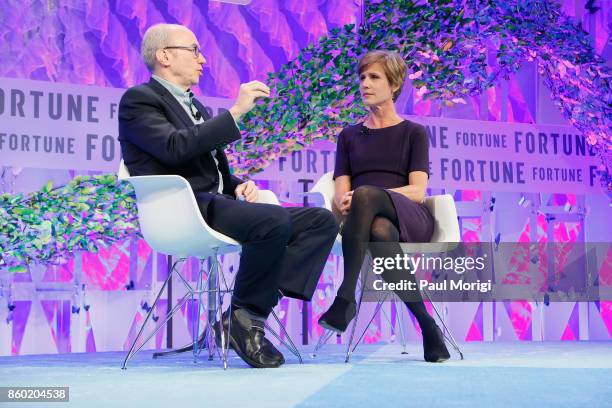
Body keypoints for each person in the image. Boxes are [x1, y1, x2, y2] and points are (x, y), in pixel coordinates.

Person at [118, 24, 338, 368]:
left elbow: (209, 166)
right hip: (185, 209)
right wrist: (234, 113)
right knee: (272, 219)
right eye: (194, 50)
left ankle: (242, 314)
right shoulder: (140, 100)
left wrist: (236, 184)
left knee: (320, 221)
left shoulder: (197, 107)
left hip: (218, 202)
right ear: (164, 56)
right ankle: (246, 317)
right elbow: (175, 150)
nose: (203, 60)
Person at [317, 50, 451, 363]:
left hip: (409, 214)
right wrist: (346, 199)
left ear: (393, 85)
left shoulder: (413, 132)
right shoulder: (348, 136)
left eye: (374, 77)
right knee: (378, 231)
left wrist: (372, 194)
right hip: (366, 221)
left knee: (366, 195)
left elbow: (417, 191)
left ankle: (345, 297)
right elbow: (340, 191)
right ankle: (428, 326)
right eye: (362, 77)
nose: (365, 83)